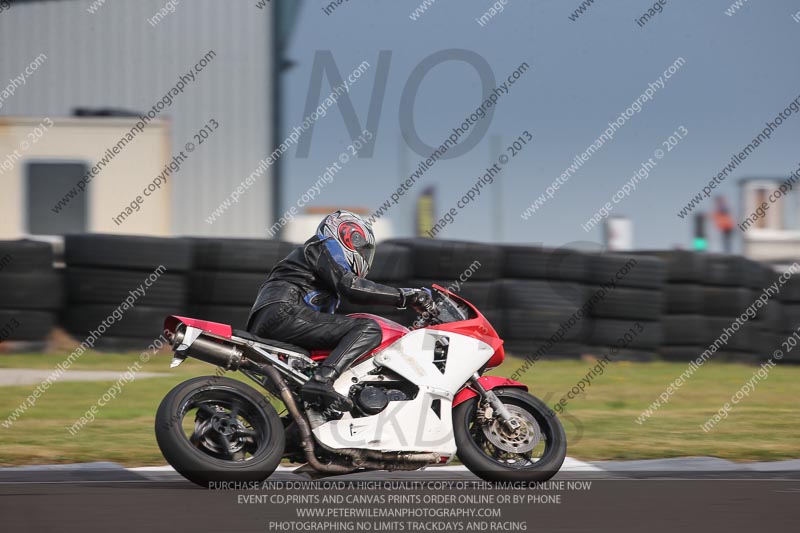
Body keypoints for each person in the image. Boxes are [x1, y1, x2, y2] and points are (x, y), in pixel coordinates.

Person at [246, 210, 432, 412]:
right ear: (348, 235)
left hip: (278, 319)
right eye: (363, 249)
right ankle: (321, 381)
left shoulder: (322, 270)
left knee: (313, 402)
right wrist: (407, 296)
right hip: (284, 312)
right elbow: (351, 287)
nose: (364, 255)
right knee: (368, 328)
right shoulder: (323, 246)